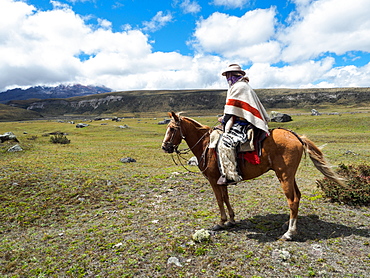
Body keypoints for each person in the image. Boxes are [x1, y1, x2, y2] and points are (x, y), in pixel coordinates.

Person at [217, 64, 270, 185]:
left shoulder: (239, 87)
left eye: (228, 75)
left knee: (224, 143)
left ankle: (231, 174)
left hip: (242, 124)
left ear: (232, 75)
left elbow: (231, 111)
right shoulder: (242, 86)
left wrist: (224, 120)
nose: (227, 78)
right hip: (240, 120)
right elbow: (234, 108)